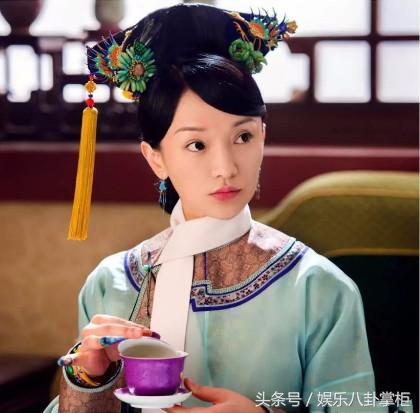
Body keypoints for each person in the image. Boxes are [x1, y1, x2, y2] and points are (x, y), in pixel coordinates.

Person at [44, 4, 375, 413]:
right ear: (155, 158)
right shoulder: (109, 284)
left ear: (263, 136)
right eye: (196, 144)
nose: (226, 168)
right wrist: (89, 379)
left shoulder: (318, 288)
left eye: (243, 137)